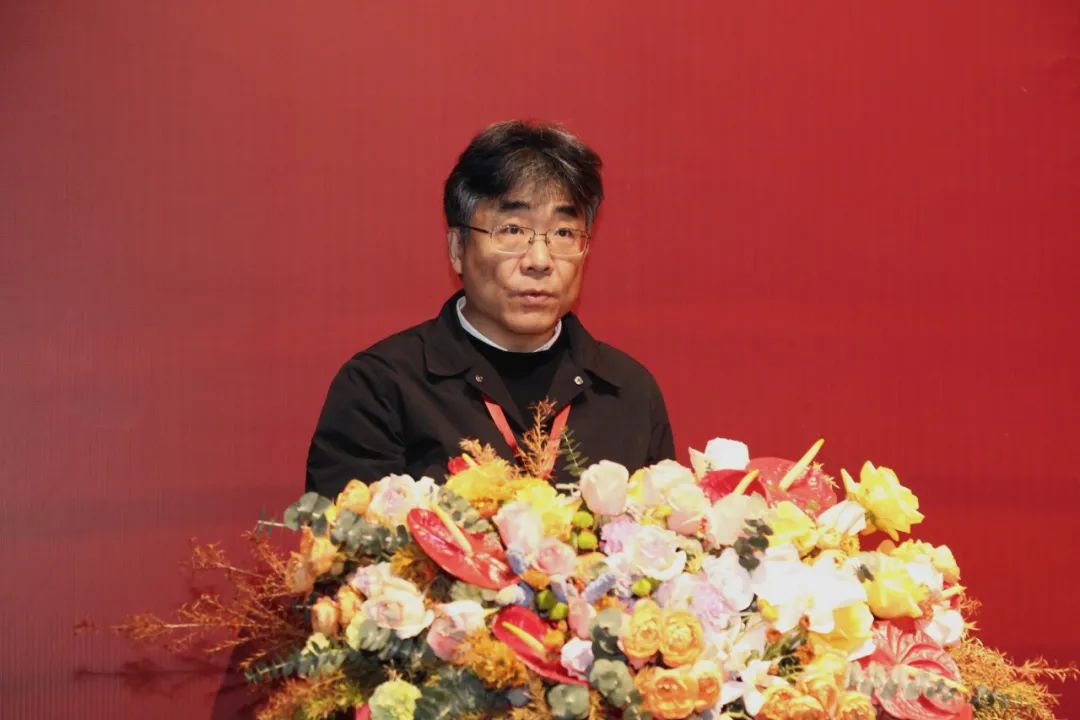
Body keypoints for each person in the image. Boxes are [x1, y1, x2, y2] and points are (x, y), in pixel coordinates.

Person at [305, 119, 675, 497]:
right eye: (513, 230)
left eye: (563, 233)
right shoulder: (383, 387)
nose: (540, 260)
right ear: (457, 248)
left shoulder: (629, 392)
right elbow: (348, 532)